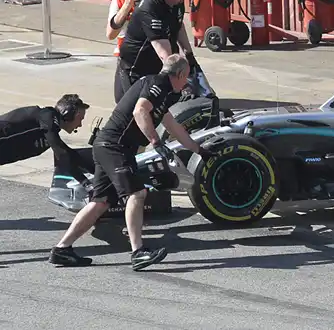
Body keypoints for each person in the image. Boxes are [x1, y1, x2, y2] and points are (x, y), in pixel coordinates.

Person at [49, 54, 213, 270]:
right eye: (187, 77)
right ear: (180, 74)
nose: (187, 81)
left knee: (100, 202)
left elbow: (172, 125)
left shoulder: (164, 92)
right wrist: (155, 141)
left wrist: (199, 149)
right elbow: (140, 111)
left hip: (108, 146)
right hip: (114, 146)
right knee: (136, 194)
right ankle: (138, 252)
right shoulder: (157, 84)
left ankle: (62, 249)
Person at [116, 0, 202, 103]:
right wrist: (185, 83)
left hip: (157, 67)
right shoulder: (150, 9)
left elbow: (178, 27)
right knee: (138, 112)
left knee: (165, 110)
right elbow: (165, 56)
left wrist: (189, 56)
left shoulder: (176, 1)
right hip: (136, 70)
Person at [0, 94, 93, 183]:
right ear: (68, 114)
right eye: (80, 118)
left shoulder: (48, 128)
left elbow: (66, 153)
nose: (80, 125)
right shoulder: (47, 116)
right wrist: (85, 183)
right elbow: (61, 154)